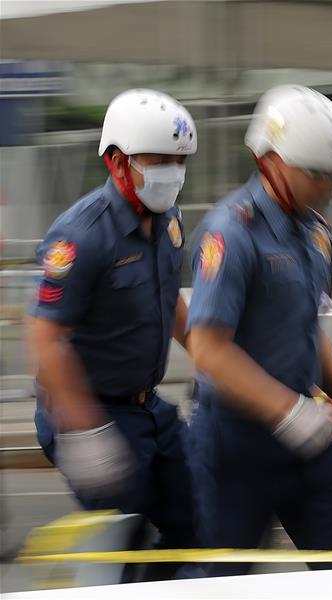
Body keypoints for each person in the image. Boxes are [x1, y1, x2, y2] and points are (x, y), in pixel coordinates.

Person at [186, 85, 332, 577]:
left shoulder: (315, 232)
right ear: (272, 161)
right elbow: (209, 351)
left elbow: (306, 326)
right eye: (317, 173)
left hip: (305, 439)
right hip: (235, 445)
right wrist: (288, 410)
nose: (329, 187)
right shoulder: (230, 232)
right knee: (222, 582)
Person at [28, 88, 198, 579]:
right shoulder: (80, 235)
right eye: (160, 160)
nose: (174, 173)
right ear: (119, 162)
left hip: (148, 407)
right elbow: (46, 338)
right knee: (122, 541)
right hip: (91, 412)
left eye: (180, 161)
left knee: (198, 519)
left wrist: (213, 358)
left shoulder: (170, 222)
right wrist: (86, 430)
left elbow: (172, 301)